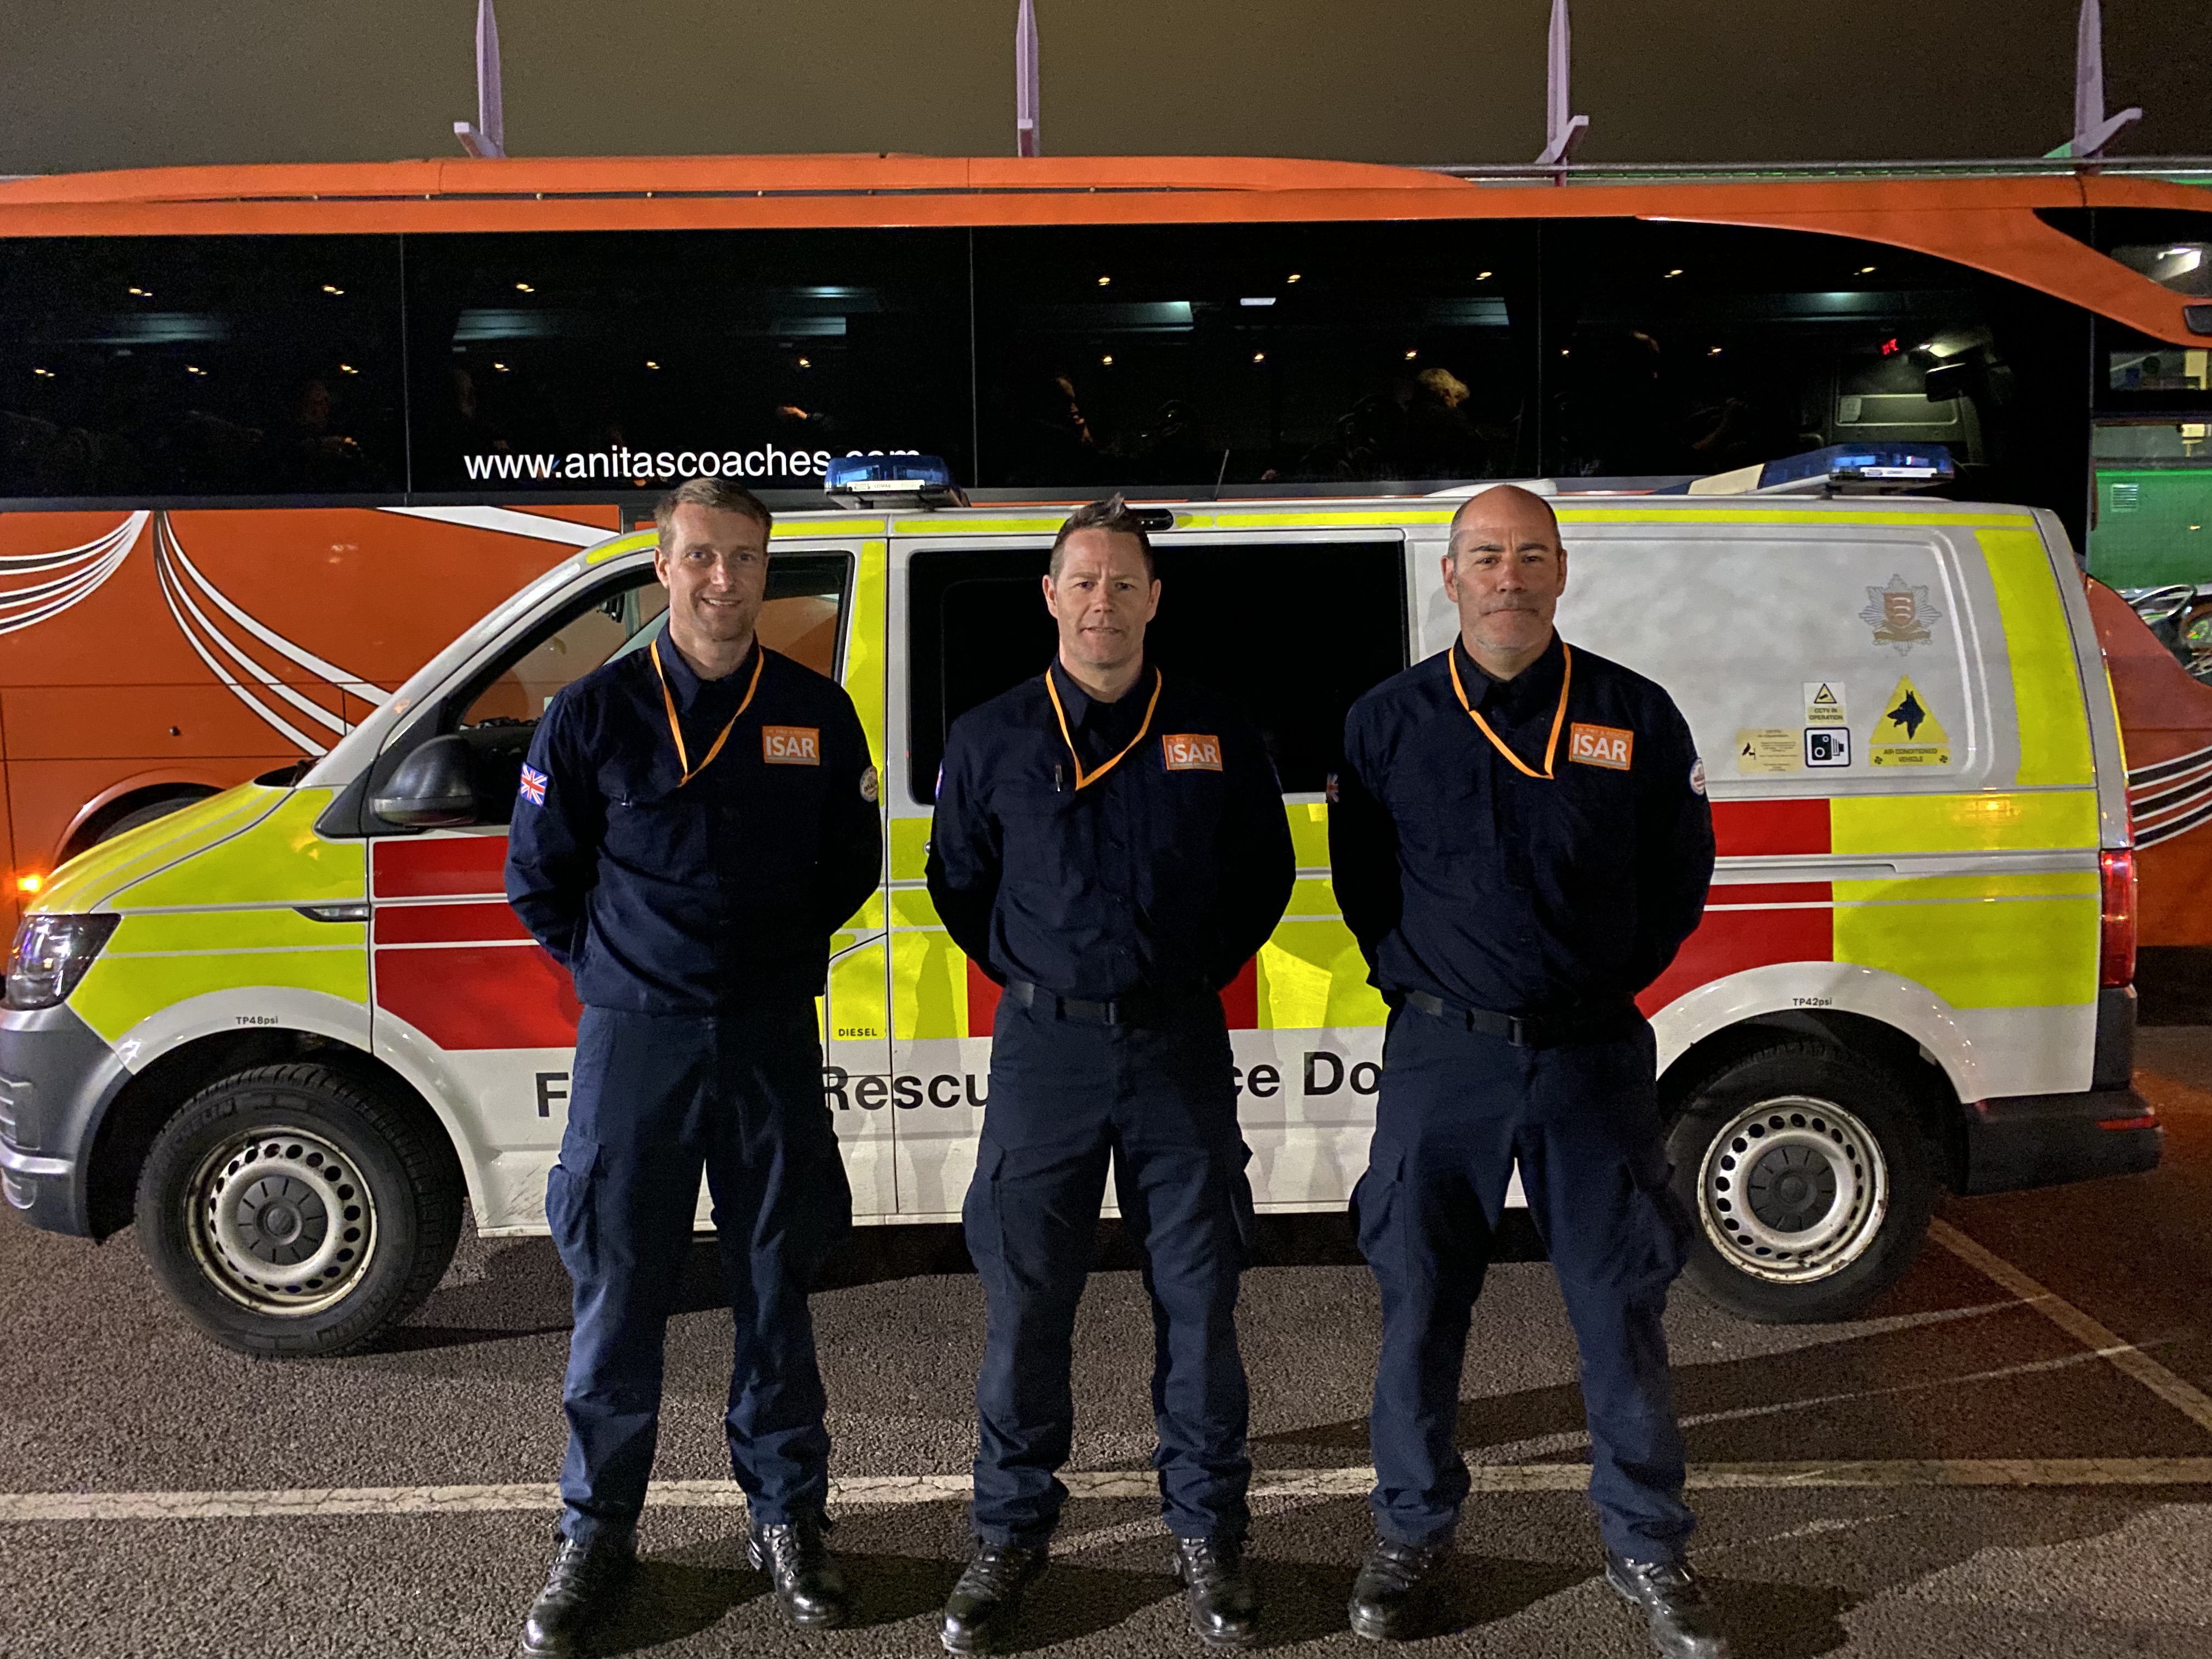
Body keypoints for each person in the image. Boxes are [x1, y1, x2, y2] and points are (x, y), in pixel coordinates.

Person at [1328, 486, 1730, 1658]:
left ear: (1562, 573)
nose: (1510, 576)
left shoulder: (1633, 714)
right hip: (1444, 1054)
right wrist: (1430, 982)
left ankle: (1650, 1546)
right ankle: (1410, 1531)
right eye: (1486, 557)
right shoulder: (1388, 719)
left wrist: (1596, 980)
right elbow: (1366, 884)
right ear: (1449, 579)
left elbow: (1679, 878)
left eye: (1531, 556)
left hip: (1594, 1056)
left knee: (1620, 1309)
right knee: (1420, 1306)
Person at [505, 476, 882, 1657]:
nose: (726, 581)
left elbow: (847, 869)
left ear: (768, 571)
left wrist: (757, 966)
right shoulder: (591, 715)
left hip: (769, 1036)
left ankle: (787, 1517)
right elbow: (540, 880)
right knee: (619, 1293)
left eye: (748, 560)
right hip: (637, 1046)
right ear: (662, 567)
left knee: (778, 1282)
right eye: (703, 557)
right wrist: (627, 975)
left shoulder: (817, 714)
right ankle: (596, 1533)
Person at [927, 495, 1296, 1653]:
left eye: (1123, 584)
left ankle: (1206, 1533)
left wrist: (1179, 975)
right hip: (1046, 1052)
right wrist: (1046, 979)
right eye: (1082, 583)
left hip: (1178, 1047)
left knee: (1198, 1300)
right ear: (1050, 597)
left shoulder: (1217, 729)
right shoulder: (990, 739)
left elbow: (1260, 879)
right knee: (1028, 1301)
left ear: (1153, 599)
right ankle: (1011, 1533)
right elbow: (960, 889)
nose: (1102, 604)